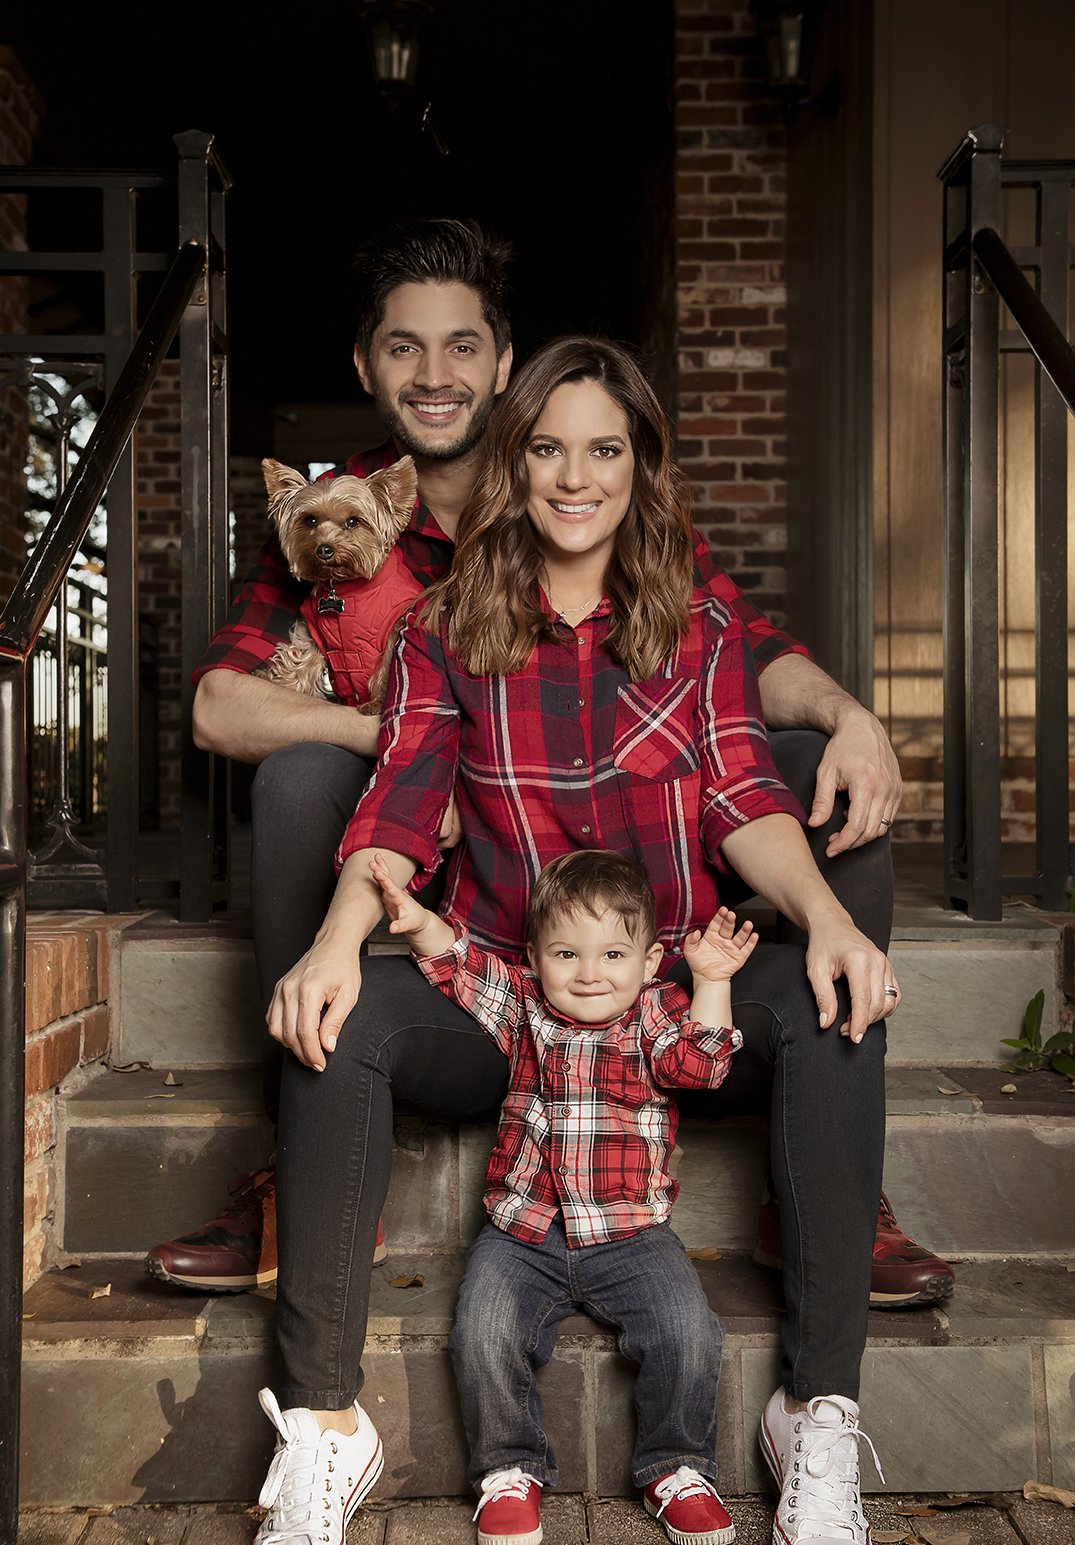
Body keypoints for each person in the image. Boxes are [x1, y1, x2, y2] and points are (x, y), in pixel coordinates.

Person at [148, 216, 953, 1313]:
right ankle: (312, 1153)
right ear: (363, 364)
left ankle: (825, 1177)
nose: (434, 375)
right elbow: (218, 703)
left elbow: (732, 645)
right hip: (435, 869)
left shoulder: (581, 482)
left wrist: (849, 711)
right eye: (403, 347)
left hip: (618, 889)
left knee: (814, 765)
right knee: (297, 778)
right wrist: (410, 748)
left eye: (463, 345)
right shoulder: (333, 513)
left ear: (506, 364)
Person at [240, 336, 899, 1545]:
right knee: (335, 1023)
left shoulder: (697, 628)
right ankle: (325, 1425)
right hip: (503, 1003)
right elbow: (398, 799)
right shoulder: (449, 632)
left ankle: (817, 1412)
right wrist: (331, 945)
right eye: (547, 447)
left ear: (640, 464)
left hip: (671, 1002)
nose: (573, 475)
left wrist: (818, 913)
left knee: (834, 999)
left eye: (604, 447)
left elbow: (749, 794)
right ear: (513, 460)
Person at [372, 847, 755, 1545]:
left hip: (631, 1234)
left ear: (648, 962)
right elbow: (460, 966)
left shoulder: (655, 1016)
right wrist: (417, 917)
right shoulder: (524, 1005)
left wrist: (710, 981)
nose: (588, 972)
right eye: (565, 952)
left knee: (687, 1330)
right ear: (534, 957)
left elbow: (702, 1066)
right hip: (523, 1231)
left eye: (613, 953)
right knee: (483, 1329)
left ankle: (675, 1465)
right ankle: (510, 1468)